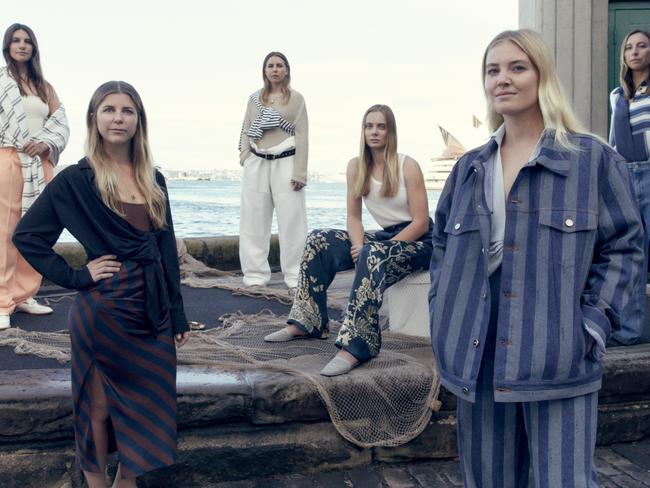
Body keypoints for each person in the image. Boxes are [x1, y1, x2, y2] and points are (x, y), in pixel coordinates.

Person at [429, 29, 643, 487]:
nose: (502, 79)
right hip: (478, 353)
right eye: (492, 70)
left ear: (542, 75)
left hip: (559, 354)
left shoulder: (592, 161)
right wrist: (442, 315)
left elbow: (624, 246)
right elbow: (442, 251)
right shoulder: (469, 169)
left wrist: (593, 323)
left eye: (516, 67)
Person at [13, 81, 190, 487]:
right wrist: (77, 277)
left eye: (127, 111)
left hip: (152, 309)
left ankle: (125, 481)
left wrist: (178, 314)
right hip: (105, 309)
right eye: (109, 109)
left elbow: (164, 250)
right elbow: (28, 237)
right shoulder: (76, 180)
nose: (118, 118)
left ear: (138, 121)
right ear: (94, 117)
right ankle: (95, 483)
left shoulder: (154, 178)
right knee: (97, 406)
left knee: (151, 402)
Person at [265, 104, 432, 376]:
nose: (374, 132)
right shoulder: (356, 167)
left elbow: (420, 221)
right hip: (384, 236)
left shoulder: (407, 165)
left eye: (381, 126)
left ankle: (357, 345)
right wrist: (358, 246)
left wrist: (376, 249)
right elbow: (354, 218)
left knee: (374, 253)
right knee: (320, 239)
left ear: (391, 132)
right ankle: (308, 321)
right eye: (369, 126)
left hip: (420, 241)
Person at [0, 23, 69, 330]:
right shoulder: (1, 82)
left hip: (40, 163)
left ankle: (25, 294)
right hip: (9, 159)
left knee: (34, 230)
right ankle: (2, 299)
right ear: (7, 46)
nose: (22, 45)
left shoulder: (44, 87)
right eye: (16, 40)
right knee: (5, 232)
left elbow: (61, 122)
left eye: (27, 41)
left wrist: (46, 143)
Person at [238, 51, 308, 289]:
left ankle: (295, 276)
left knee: (292, 221)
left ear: (286, 70)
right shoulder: (254, 99)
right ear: (265, 70)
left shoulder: (296, 99)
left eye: (279, 65)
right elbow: (246, 129)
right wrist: (245, 157)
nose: (275, 69)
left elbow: (302, 134)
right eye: (270, 65)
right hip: (256, 161)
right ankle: (255, 277)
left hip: (286, 160)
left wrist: (300, 172)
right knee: (253, 221)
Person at [609, 29, 650, 345]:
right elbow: (612, 142)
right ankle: (630, 332)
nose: (635, 52)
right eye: (629, 47)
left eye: (642, 46)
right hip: (625, 176)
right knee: (632, 253)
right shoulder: (617, 96)